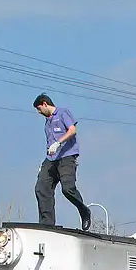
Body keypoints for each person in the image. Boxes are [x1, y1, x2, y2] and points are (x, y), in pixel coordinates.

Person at [32, 93, 92, 231]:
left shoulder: (63, 113)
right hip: (51, 160)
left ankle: (84, 211)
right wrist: (43, 166)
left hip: (67, 157)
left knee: (67, 189)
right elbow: (50, 144)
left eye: (39, 109)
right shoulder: (47, 122)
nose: (39, 112)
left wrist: (59, 143)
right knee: (41, 187)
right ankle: (47, 224)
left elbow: (72, 130)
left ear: (45, 104)